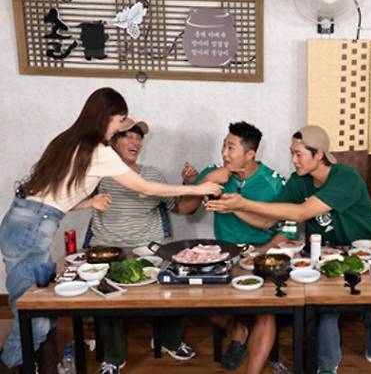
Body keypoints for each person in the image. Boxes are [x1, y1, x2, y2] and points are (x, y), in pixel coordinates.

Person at [0, 87, 220, 373]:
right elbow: (144, 188)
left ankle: (31, 364)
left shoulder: (68, 140)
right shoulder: (99, 152)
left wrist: (88, 202)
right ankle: (9, 364)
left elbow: (51, 195)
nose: (121, 128)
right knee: (33, 315)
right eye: (119, 122)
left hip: (24, 221)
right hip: (33, 227)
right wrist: (198, 188)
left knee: (34, 310)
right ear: (106, 117)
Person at [207, 125, 371, 374]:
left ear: (319, 154)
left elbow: (302, 212)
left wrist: (243, 203)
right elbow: (267, 221)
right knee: (324, 309)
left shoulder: (345, 177)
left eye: (299, 154)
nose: (293, 160)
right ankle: (327, 366)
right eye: (291, 153)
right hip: (326, 256)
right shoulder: (299, 180)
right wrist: (234, 207)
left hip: (367, 256)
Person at [177, 121, 294, 374]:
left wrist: (261, 252)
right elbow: (184, 208)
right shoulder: (215, 173)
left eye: (231, 148)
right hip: (223, 253)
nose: (224, 153)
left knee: (266, 312)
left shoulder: (273, 182)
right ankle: (238, 330)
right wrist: (206, 180)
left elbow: (289, 228)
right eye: (223, 146)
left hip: (262, 254)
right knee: (194, 298)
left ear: (250, 154)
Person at [88, 118, 197, 374]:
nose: (135, 141)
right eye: (128, 136)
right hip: (109, 250)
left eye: (139, 137)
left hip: (149, 250)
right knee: (104, 293)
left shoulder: (152, 175)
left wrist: (190, 186)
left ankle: (169, 340)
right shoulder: (97, 174)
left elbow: (183, 208)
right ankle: (114, 356)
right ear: (113, 140)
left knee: (181, 279)